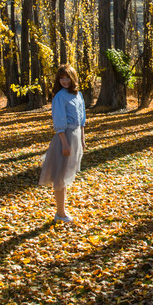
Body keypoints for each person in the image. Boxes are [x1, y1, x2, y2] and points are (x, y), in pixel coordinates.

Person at [40, 64, 86, 223]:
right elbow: (59, 120)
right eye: (61, 78)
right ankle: (60, 212)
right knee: (60, 175)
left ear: (73, 78)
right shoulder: (60, 97)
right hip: (64, 137)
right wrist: (65, 143)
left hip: (75, 136)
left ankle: (62, 210)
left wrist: (82, 139)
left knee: (67, 174)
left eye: (67, 77)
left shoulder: (78, 95)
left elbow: (82, 119)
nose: (64, 81)